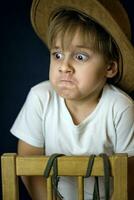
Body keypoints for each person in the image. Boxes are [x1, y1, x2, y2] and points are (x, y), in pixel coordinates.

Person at [10, 0, 134, 199]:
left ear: (109, 68)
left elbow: (129, 176)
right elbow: (28, 164)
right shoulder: (40, 98)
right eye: (57, 55)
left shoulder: (120, 107)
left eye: (80, 57)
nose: (64, 66)